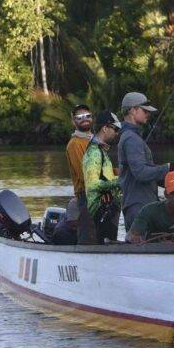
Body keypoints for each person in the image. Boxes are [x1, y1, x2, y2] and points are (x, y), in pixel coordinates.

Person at [117, 91, 174, 231]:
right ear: (132, 110)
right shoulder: (131, 139)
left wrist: (173, 178)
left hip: (141, 205)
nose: (148, 114)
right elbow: (141, 173)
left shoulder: (132, 137)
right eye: (144, 110)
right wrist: (169, 167)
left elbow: (144, 173)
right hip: (138, 206)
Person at [82, 111, 122, 244]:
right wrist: (119, 182)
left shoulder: (102, 151)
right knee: (105, 246)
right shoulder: (94, 152)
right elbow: (92, 184)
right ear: (105, 128)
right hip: (100, 212)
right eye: (115, 129)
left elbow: (104, 176)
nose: (117, 133)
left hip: (108, 210)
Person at [127, 170, 174, 243]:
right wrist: (134, 238)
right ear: (166, 194)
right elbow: (130, 235)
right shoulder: (148, 210)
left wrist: (169, 243)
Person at [65, 103, 96, 243]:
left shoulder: (94, 141)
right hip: (86, 196)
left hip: (100, 194)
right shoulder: (75, 144)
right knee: (88, 236)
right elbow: (85, 175)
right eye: (79, 117)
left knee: (100, 233)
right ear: (73, 121)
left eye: (87, 116)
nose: (84, 119)